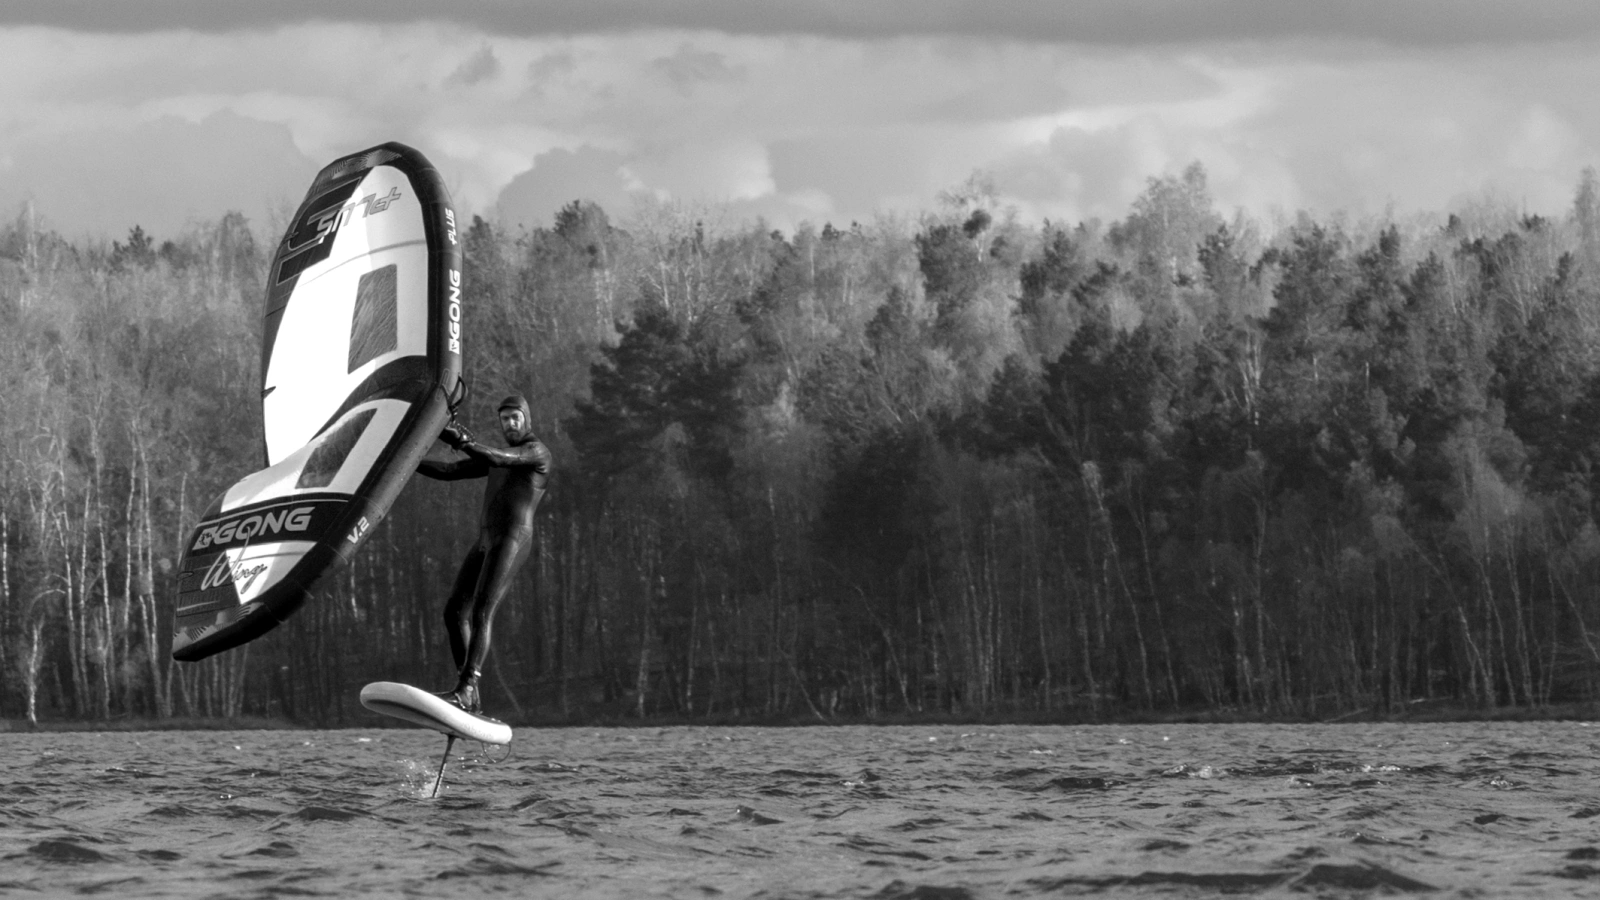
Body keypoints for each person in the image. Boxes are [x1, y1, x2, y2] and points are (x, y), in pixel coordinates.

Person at [416, 394, 552, 713]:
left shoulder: (535, 452)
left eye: (515, 417)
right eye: (505, 419)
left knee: (481, 611)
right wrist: (406, 461)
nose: (510, 423)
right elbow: (449, 471)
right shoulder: (497, 459)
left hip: (512, 540)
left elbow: (502, 458)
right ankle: (469, 697)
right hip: (486, 541)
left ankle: (466, 688)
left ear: (526, 419)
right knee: (453, 612)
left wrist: (461, 440)